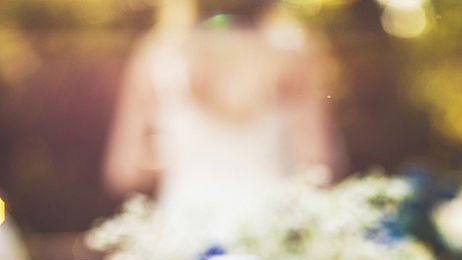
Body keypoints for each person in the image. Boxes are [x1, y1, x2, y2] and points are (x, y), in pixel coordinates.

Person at [103, 1, 341, 233]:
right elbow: (317, 164)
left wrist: (173, 154)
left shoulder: (159, 53)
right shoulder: (292, 52)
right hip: (269, 230)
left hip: (185, 230)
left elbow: (125, 171)